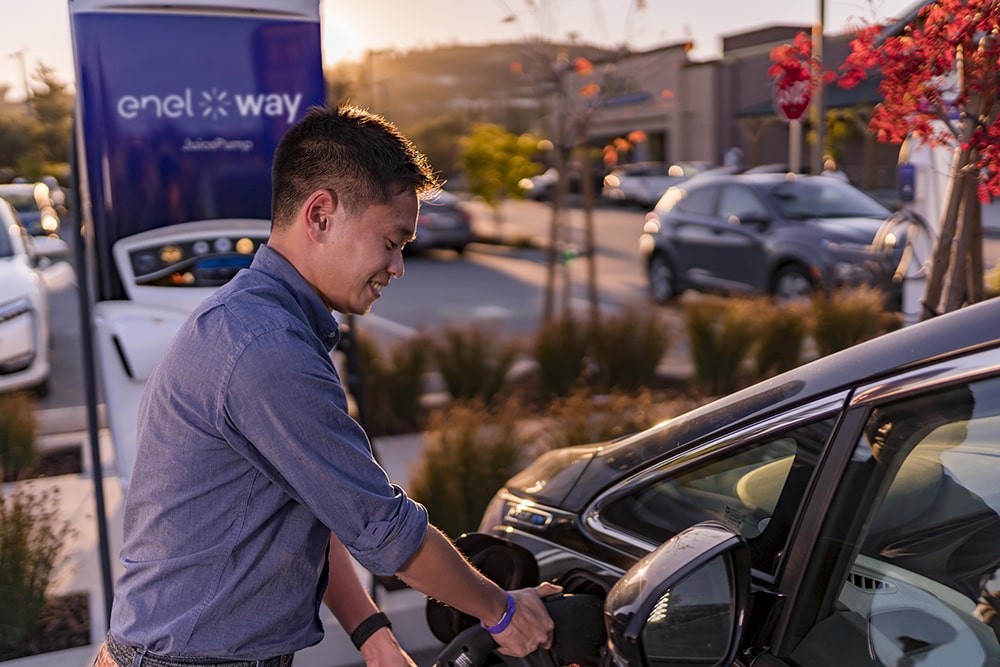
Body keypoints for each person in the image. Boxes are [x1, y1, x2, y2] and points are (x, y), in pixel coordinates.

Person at [94, 105, 560, 667]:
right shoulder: (266, 348)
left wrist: (374, 635)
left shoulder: (260, 324)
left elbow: (314, 501)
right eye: (391, 241)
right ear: (320, 216)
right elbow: (387, 533)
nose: (398, 266)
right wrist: (502, 612)